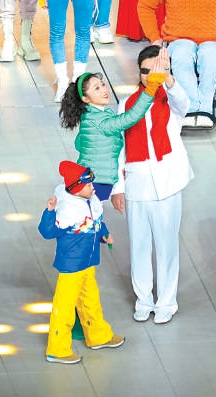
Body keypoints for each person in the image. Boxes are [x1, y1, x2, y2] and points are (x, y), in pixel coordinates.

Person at [117, 45, 193, 325]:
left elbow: (185, 104)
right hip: (137, 183)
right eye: (145, 71)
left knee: (166, 246)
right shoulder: (127, 103)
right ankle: (144, 300)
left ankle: (166, 302)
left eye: (155, 70)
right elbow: (119, 147)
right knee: (138, 246)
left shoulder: (170, 99)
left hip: (168, 183)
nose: (150, 76)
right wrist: (117, 187)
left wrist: (168, 77)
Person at [39, 160, 125, 365]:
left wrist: (104, 235)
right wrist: (49, 212)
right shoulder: (66, 211)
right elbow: (47, 232)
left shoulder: (90, 201)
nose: (93, 187)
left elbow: (96, 223)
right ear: (77, 188)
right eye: (88, 185)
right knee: (64, 308)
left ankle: (98, 336)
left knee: (90, 301)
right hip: (71, 267)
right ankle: (57, 349)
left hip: (87, 263)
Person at [59, 58, 168, 203]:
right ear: (85, 99)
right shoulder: (98, 121)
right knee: (88, 215)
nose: (104, 90)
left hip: (91, 179)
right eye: (96, 88)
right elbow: (131, 117)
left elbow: (79, 144)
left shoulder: (90, 117)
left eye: (102, 84)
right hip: (95, 181)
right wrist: (151, 89)